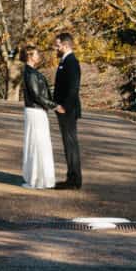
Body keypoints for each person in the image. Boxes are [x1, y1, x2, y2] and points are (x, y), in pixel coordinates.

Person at [20, 45, 56, 189]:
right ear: (29, 56)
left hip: (37, 111)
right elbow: (36, 95)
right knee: (37, 143)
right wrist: (53, 105)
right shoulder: (30, 73)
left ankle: (41, 177)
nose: (38, 56)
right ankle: (37, 179)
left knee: (39, 143)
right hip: (35, 111)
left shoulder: (32, 72)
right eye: (36, 54)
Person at [52, 32, 83, 189]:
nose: (55, 48)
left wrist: (65, 106)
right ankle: (72, 177)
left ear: (65, 45)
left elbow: (73, 88)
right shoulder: (65, 61)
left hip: (68, 110)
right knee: (68, 144)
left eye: (57, 45)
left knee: (70, 144)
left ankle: (74, 180)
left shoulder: (71, 62)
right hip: (64, 109)